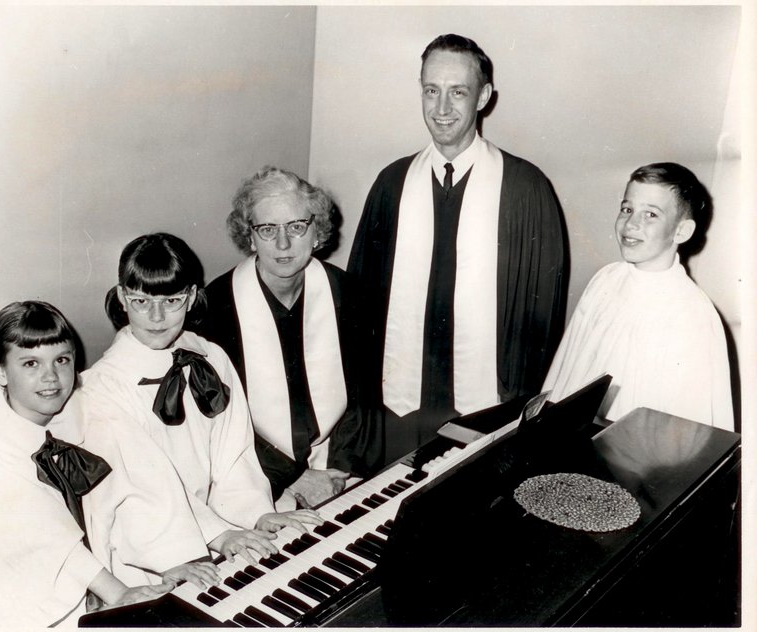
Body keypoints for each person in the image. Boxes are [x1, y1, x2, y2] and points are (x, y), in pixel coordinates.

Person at [348, 34, 567, 462]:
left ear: (483, 96)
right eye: (432, 91)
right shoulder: (392, 184)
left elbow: (540, 321)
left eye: (458, 92)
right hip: (400, 405)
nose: (442, 109)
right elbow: (363, 304)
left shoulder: (525, 190)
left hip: (487, 405)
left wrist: (515, 406)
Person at [80, 233, 322, 586]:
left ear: (192, 297)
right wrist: (218, 535)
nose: (157, 316)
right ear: (121, 297)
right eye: (141, 301)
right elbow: (140, 491)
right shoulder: (102, 387)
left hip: (220, 528)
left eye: (173, 300)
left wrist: (255, 515)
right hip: (153, 553)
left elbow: (233, 454)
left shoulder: (211, 357)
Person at [0, 301, 173, 626]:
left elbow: (136, 479)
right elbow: (43, 537)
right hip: (19, 609)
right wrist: (119, 593)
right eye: (31, 363)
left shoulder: (74, 408)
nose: (51, 377)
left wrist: (170, 557)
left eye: (61, 360)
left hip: (85, 581)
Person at [198, 167, 381, 509]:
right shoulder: (215, 310)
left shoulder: (349, 295)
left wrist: (339, 469)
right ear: (250, 237)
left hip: (336, 467)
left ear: (317, 232)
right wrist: (294, 477)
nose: (283, 244)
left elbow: (362, 397)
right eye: (268, 229)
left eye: (296, 227)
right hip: (255, 473)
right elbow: (217, 418)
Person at [542, 163, 734, 430]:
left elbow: (687, 429)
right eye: (627, 209)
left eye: (651, 214)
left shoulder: (691, 315)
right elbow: (565, 370)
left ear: (681, 231)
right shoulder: (605, 280)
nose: (631, 223)